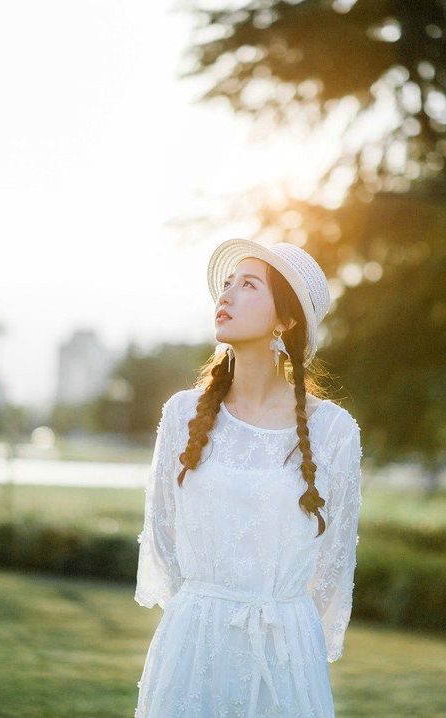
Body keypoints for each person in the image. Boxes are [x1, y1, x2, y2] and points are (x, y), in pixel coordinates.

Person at [133, 239, 363, 718]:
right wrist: (207, 609)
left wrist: (279, 614)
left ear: (286, 320)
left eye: (249, 285)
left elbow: (334, 564)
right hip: (193, 642)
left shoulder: (332, 430)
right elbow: (162, 532)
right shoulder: (182, 414)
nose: (228, 295)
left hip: (284, 648)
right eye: (227, 284)